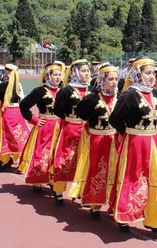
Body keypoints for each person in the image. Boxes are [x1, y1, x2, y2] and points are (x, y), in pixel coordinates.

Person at [108, 58, 157, 237]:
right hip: (135, 144)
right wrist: (125, 132)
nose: (152, 77)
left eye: (153, 73)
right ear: (138, 75)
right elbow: (114, 118)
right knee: (132, 179)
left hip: (154, 143)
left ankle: (153, 220)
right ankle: (124, 217)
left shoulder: (155, 93)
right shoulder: (129, 95)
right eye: (148, 73)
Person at [75, 64, 120, 220]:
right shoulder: (92, 98)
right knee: (97, 171)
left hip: (115, 141)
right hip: (98, 140)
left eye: (116, 79)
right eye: (110, 79)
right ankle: (95, 205)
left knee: (116, 173)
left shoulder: (120, 97)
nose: (114, 82)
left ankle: (115, 206)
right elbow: (80, 113)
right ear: (102, 80)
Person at [51, 59, 92, 206]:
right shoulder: (66, 90)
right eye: (83, 71)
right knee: (65, 159)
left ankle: (80, 189)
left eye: (88, 71)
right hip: (70, 129)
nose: (86, 74)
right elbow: (57, 109)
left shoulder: (91, 90)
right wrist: (69, 119)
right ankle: (58, 190)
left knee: (84, 160)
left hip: (86, 132)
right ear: (75, 72)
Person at [18, 62, 64, 193]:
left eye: (60, 75)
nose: (58, 78)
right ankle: (37, 180)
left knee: (56, 153)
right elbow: (24, 105)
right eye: (55, 75)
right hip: (45, 127)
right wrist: (34, 120)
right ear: (48, 76)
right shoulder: (40, 91)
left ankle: (52, 178)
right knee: (42, 153)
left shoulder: (63, 91)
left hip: (60, 126)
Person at [0, 64, 30, 170]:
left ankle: (6, 159)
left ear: (7, 74)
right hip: (18, 113)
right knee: (19, 136)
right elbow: (23, 99)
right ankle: (20, 159)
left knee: (5, 136)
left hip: (7, 112)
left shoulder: (2, 85)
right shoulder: (18, 85)